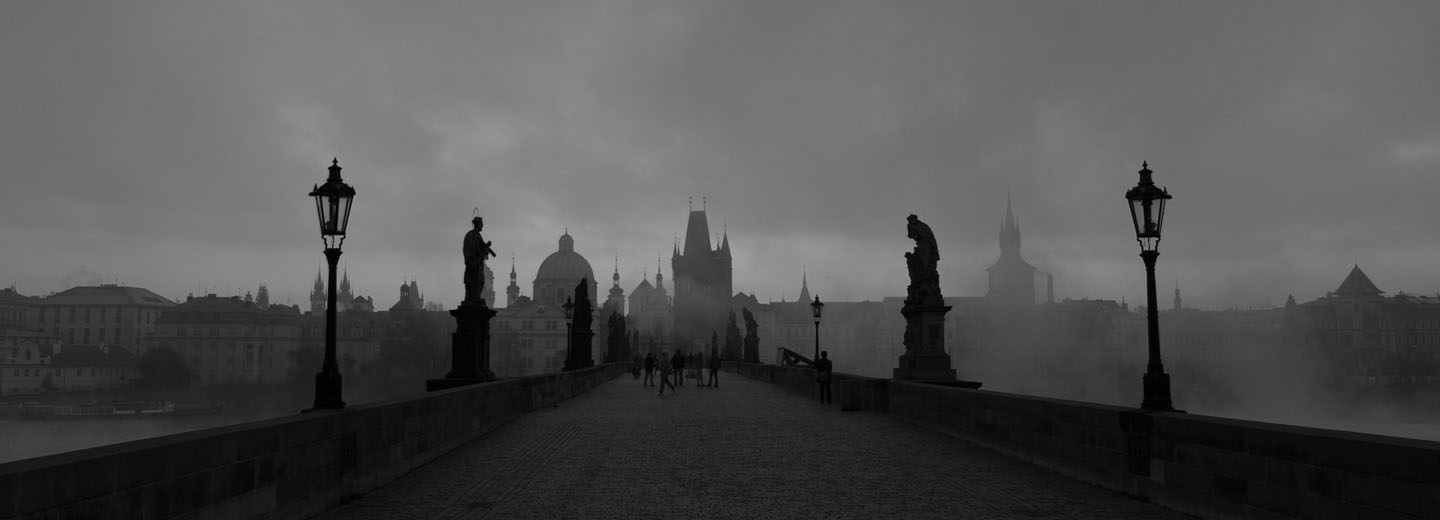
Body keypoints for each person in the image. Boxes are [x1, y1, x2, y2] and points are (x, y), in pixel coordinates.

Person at [462, 216, 497, 305]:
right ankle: (472, 299)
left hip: (478, 264)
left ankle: (476, 298)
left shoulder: (478, 236)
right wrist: (474, 259)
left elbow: (481, 248)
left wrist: (485, 251)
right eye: (481, 224)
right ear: (477, 224)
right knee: (473, 282)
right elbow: (470, 250)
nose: (483, 225)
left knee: (480, 281)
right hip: (473, 264)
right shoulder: (470, 235)